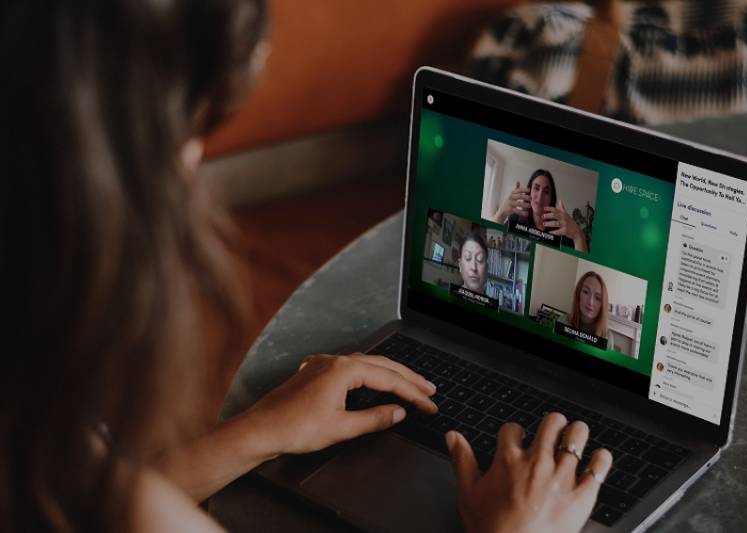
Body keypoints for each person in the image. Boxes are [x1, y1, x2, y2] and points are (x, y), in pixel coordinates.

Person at [0, 2, 612, 532]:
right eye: (191, 127)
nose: (188, 176)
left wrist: (259, 431)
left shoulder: (39, 438)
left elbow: (88, 495)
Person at [492, 169, 589, 253]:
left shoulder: (561, 231)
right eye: (536, 188)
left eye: (546, 192)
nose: (540, 196)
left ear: (552, 198)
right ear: (529, 191)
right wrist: (500, 215)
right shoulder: (515, 220)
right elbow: (493, 245)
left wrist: (579, 236)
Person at [568, 272, 615, 347]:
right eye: (586, 292)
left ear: (602, 305)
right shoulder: (563, 321)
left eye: (597, 298)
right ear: (578, 294)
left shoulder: (607, 337)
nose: (590, 302)